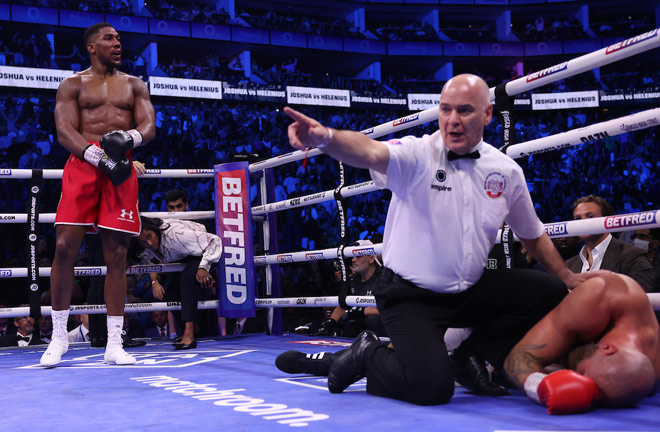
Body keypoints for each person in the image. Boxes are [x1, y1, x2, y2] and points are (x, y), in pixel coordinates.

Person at [282, 73, 592, 405]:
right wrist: (325, 137)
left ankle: (468, 355)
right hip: (410, 296)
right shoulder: (418, 154)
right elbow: (370, 152)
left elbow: (531, 234)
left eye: (465, 111)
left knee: (549, 292)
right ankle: (367, 353)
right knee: (431, 388)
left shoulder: (505, 171)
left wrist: (567, 276)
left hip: (467, 290)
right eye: (445, 110)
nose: (452, 121)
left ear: (487, 114)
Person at [40, 22, 156, 367]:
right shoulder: (73, 84)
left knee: (118, 255)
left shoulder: (135, 84)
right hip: (85, 165)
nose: (117, 42)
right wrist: (98, 157)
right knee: (64, 248)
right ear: (92, 46)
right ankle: (59, 337)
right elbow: (64, 131)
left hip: (120, 169)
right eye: (109, 38)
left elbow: (149, 126)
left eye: (119, 38)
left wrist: (129, 140)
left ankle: (114, 343)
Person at [504, 272, 659, 414]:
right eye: (582, 373)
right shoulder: (600, 296)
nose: (577, 379)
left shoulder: (647, 377)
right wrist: (539, 386)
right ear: (607, 348)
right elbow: (519, 356)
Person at [135, 216, 222, 349]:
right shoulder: (148, 245)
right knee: (169, 292)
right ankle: (194, 329)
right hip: (188, 257)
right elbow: (149, 261)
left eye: (149, 237)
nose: (149, 244)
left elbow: (214, 240)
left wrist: (204, 266)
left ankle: (189, 334)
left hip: (206, 249)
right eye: (143, 242)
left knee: (186, 280)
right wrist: (154, 282)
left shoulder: (176, 235)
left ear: (155, 230)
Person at [566, 195, 654, 292]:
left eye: (590, 216)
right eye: (578, 219)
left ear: (606, 219)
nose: (583, 222)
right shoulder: (569, 266)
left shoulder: (632, 256)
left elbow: (642, 299)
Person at [313, 239, 386, 338]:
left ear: (371, 258)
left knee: (372, 319)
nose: (353, 260)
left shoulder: (383, 278)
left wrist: (360, 312)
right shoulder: (351, 280)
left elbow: (389, 308)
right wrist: (331, 323)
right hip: (357, 326)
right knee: (347, 322)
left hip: (380, 327)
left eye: (358, 256)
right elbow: (343, 305)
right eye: (353, 256)